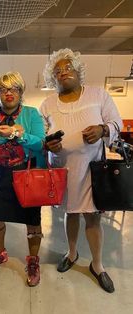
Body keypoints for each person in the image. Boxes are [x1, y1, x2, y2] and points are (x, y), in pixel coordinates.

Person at [40, 48, 123, 293]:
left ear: (78, 71)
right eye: (57, 71)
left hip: (91, 170)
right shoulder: (47, 104)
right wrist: (47, 143)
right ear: (52, 79)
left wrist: (102, 129)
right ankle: (72, 252)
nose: (63, 73)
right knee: (70, 213)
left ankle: (97, 265)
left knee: (93, 216)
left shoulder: (98, 95)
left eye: (67, 68)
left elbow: (115, 123)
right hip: (62, 171)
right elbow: (41, 135)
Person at [0, 71, 45, 287]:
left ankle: (33, 261)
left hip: (27, 174)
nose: (8, 93)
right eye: (3, 89)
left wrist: (16, 134)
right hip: (1, 173)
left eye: (13, 88)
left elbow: (39, 142)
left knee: (32, 221)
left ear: (21, 91)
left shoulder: (31, 114)